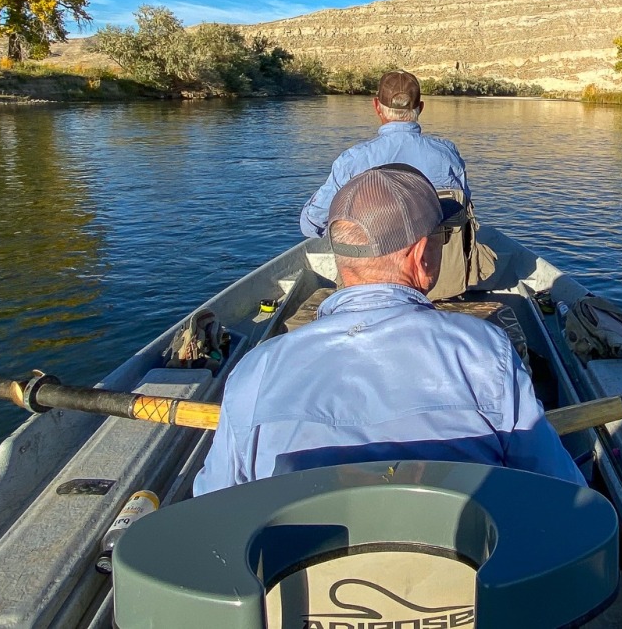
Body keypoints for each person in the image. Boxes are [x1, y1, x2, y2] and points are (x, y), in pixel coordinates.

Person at [194, 165, 583, 494]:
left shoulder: (256, 370)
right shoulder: (485, 352)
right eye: (440, 238)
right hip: (465, 579)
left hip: (299, 582)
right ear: (419, 253)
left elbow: (214, 508)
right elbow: (560, 490)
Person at [299, 70, 469, 238]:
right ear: (421, 108)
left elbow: (312, 224)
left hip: (374, 261)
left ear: (376, 106)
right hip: (438, 257)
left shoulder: (352, 160)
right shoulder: (448, 154)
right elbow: (463, 205)